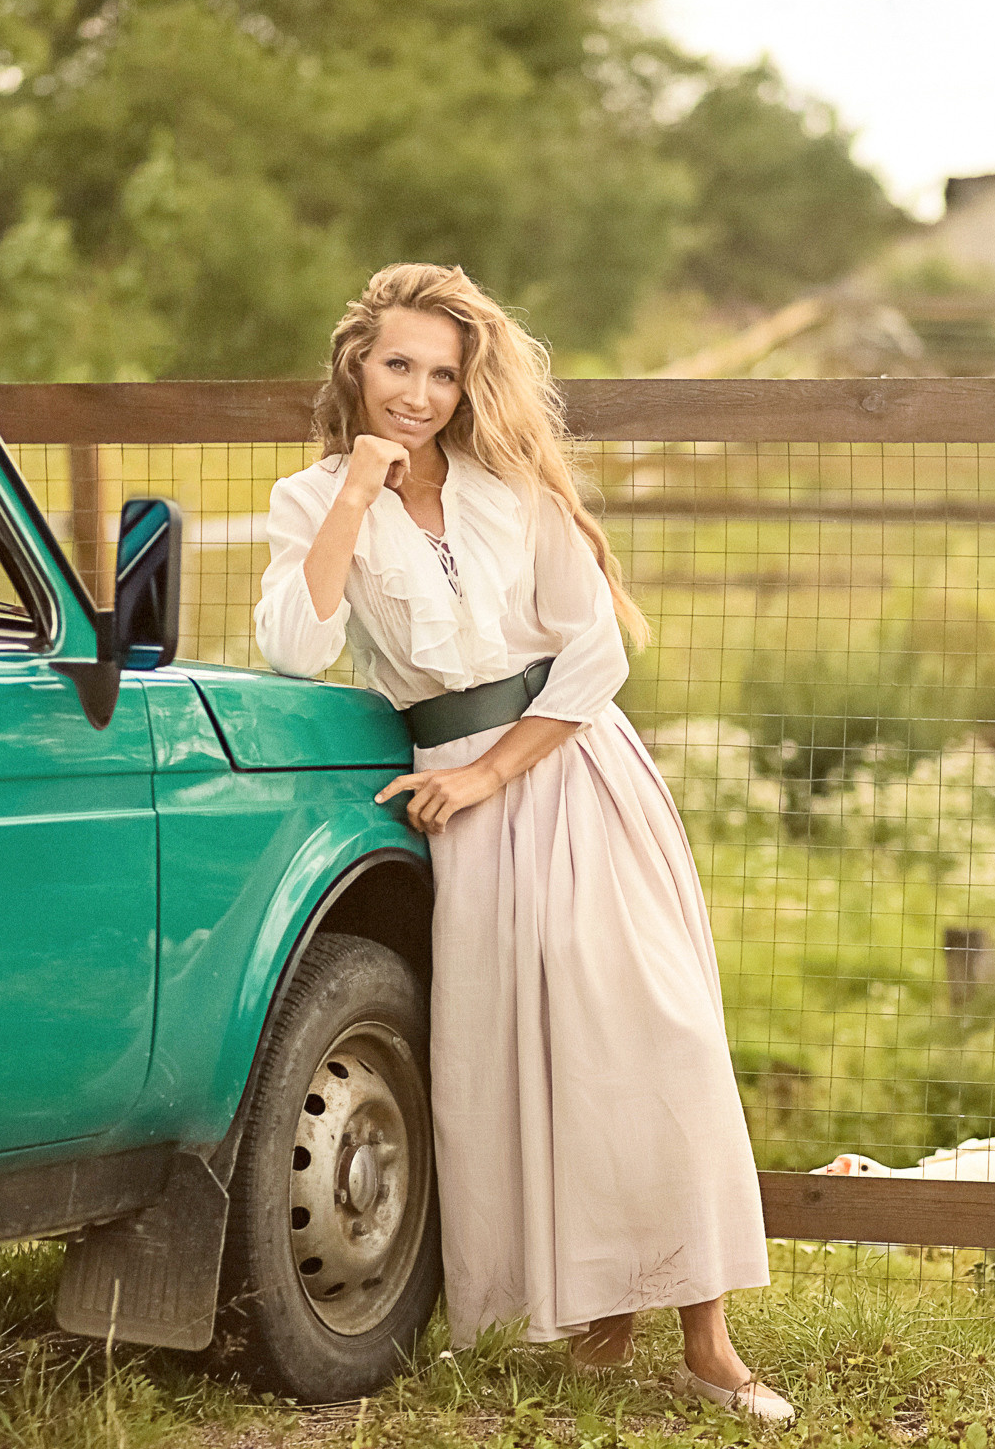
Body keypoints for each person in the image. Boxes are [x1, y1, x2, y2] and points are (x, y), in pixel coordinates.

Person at [255, 264, 791, 1423]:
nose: (421, 393)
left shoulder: (510, 490)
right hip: (460, 799)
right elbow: (298, 648)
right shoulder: (306, 502)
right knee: (534, 1054)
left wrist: (502, 767)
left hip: (572, 768)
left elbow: (594, 654)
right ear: (356, 365)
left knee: (661, 1026)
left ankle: (709, 1335)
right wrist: (355, 490)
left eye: (443, 373)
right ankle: (596, 1316)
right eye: (399, 366)